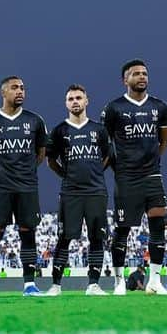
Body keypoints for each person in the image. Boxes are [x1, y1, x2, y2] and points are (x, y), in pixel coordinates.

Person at [101, 59, 167, 296]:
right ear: (125, 79)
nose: (142, 77)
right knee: (122, 229)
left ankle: (155, 281)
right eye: (136, 74)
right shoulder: (114, 108)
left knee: (158, 223)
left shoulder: (160, 107)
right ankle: (119, 280)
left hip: (152, 175)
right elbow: (104, 142)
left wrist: (152, 161)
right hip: (126, 177)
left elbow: (163, 140)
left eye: (144, 73)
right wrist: (119, 167)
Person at [0, 76, 47, 297]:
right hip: (1, 188)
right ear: (3, 92)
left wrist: (25, 173)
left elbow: (41, 154)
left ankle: (29, 285)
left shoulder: (35, 121)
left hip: (27, 187)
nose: (20, 91)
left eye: (23, 88)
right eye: (15, 88)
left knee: (28, 234)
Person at [46, 84, 111, 297]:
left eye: (78, 98)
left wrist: (95, 172)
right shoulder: (59, 131)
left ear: (86, 101)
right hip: (71, 192)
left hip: (96, 191)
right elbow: (51, 160)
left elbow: (107, 155)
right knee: (64, 238)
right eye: (71, 98)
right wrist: (66, 175)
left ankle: (93, 285)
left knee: (97, 238)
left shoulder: (98, 130)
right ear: (66, 103)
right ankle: (55, 285)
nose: (75, 101)